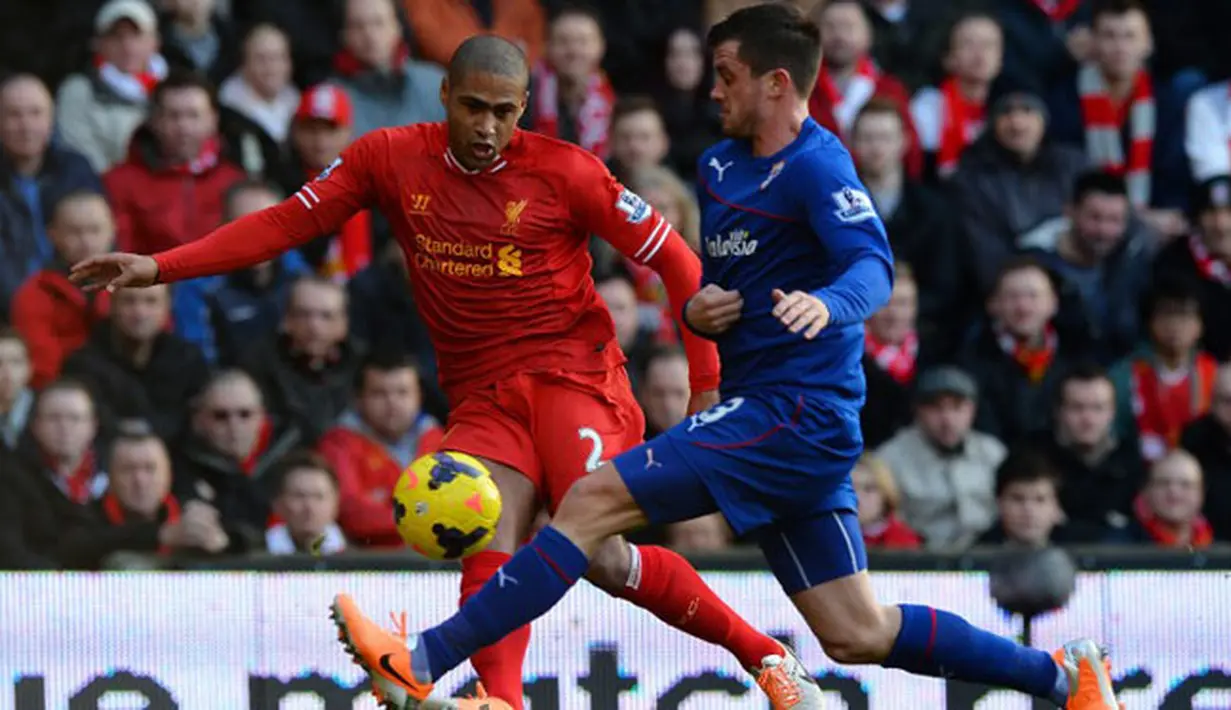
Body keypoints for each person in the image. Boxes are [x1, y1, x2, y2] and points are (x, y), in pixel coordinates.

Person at [315, 5, 1122, 709]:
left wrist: (830, 304)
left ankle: (421, 659)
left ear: (776, 82)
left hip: (792, 415)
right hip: (768, 417)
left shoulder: (819, 163)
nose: (712, 90)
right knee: (855, 633)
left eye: (727, 75)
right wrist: (704, 313)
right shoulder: (719, 166)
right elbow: (720, 293)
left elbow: (870, 263)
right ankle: (1063, 681)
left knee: (588, 507)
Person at [71, 34, 810, 710]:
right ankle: (500, 700)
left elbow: (678, 262)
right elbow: (286, 222)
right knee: (483, 524)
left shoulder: (567, 171)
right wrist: (161, 267)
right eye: (472, 107)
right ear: (444, 96)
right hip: (482, 393)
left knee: (605, 557)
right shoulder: (389, 157)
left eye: (502, 112)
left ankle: (769, 660)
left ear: (523, 108)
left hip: (574, 380)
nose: (487, 127)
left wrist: (706, 386)